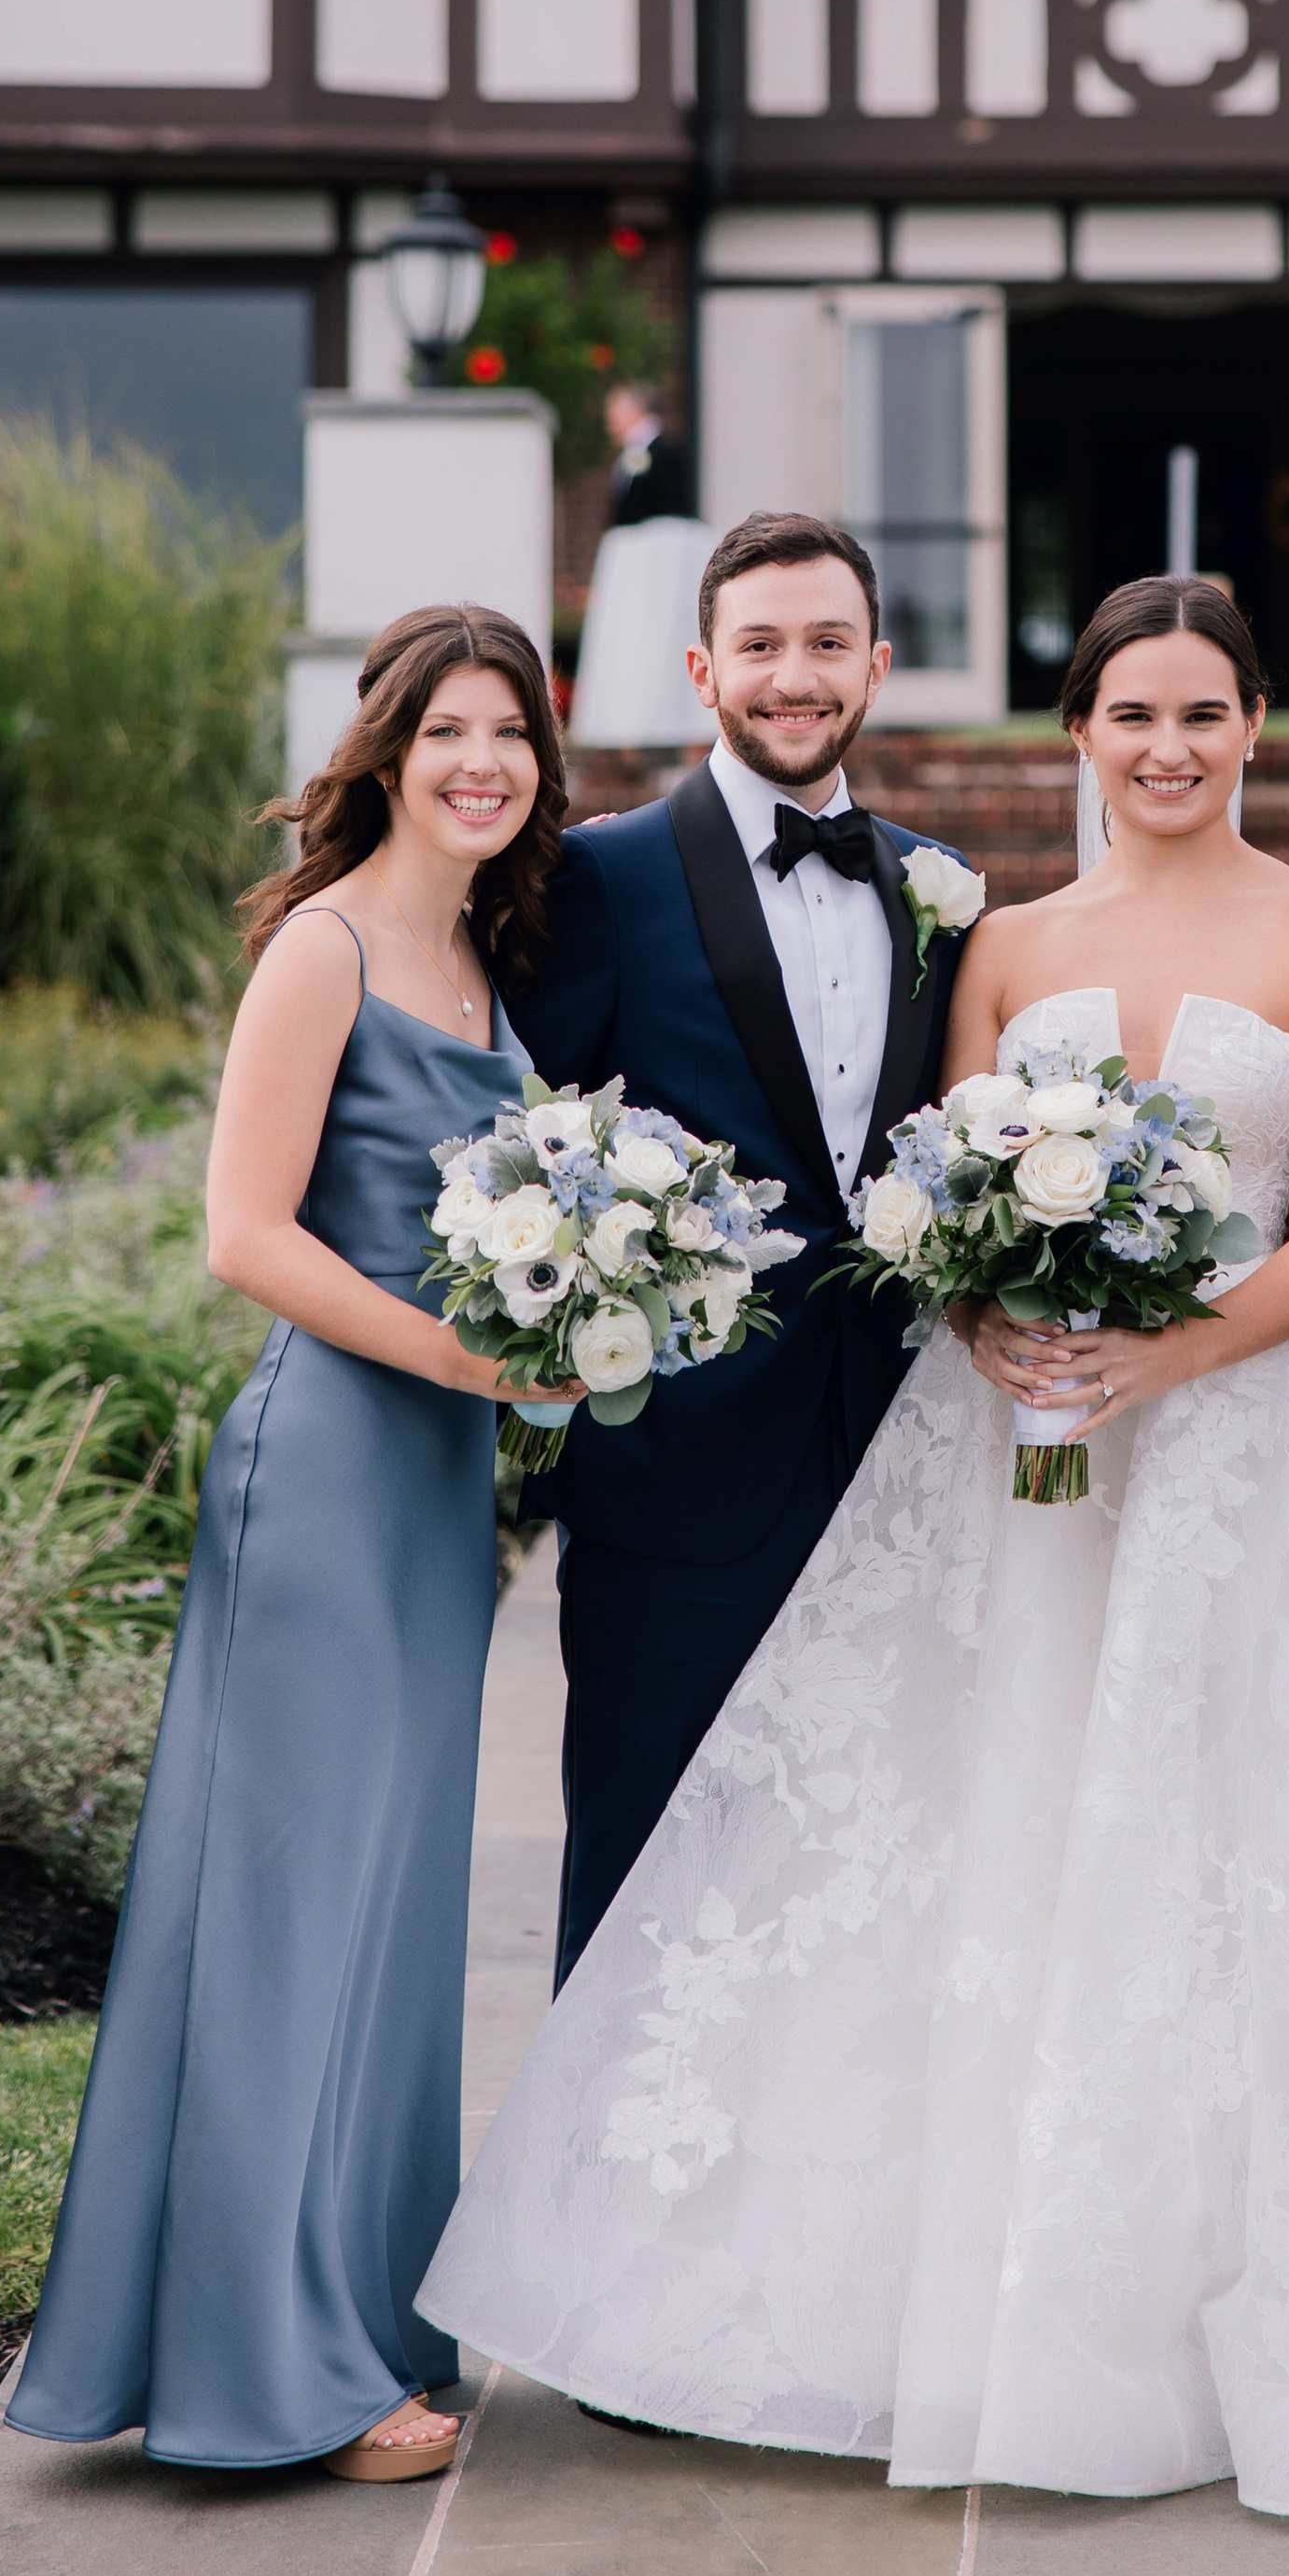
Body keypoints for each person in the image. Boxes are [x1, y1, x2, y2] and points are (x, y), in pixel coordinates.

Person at [420, 576, 1289, 2522]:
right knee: (990, 1819)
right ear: (1075, 736)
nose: (1165, 749)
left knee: (1233, 1836)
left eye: (1201, 714)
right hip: (1023, 1448)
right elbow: (929, 1198)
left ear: (1253, 727)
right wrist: (985, 1317)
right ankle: (931, 2270)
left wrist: (1178, 1342)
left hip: (1247, 1443)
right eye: (1129, 717)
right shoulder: (1001, 938)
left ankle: (1190, 2284)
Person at [7, 605, 569, 2482]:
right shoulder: (325, 949)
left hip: (435, 1482)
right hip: (333, 1462)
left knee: (388, 1912)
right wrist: (459, 1355)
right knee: (285, 1911)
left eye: (512, 735)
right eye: (451, 731)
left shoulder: (484, 958)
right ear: (389, 748)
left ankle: (359, 2319)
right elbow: (243, 1232)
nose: (481, 763)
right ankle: (276, 2377)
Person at [515, 509, 978, 1981]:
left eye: (827, 643)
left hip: (900, 1462)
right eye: (763, 646)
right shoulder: (606, 875)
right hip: (677, 1473)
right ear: (705, 667)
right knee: (650, 1865)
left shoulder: (936, 885)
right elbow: (524, 1133)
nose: (796, 674)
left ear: (877, 665)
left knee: (876, 1865)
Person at [601, 380, 694, 526]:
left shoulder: (665, 453)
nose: (610, 423)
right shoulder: (631, 452)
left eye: (615, 413)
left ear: (635, 411)